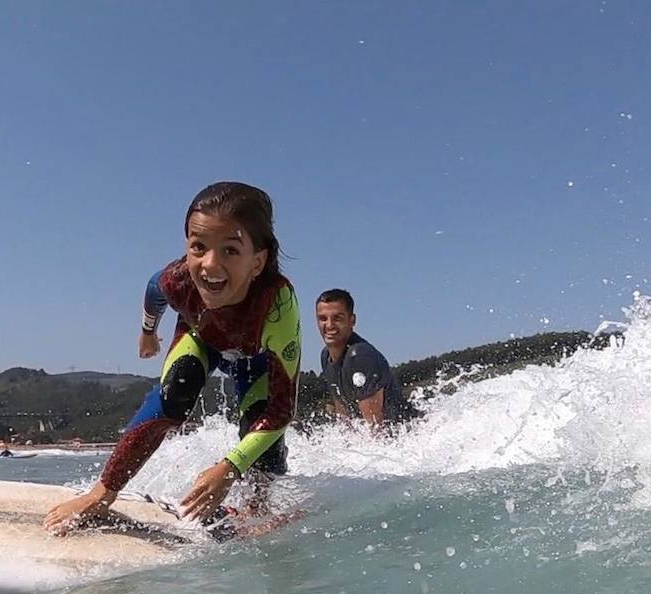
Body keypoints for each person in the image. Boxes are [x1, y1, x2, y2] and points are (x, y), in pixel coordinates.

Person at [44, 181, 302, 537]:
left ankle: (258, 507)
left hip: (253, 358)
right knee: (173, 397)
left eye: (230, 250)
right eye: (199, 247)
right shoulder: (177, 278)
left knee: (262, 431)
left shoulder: (278, 307)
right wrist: (148, 332)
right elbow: (154, 293)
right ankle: (102, 495)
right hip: (200, 337)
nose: (209, 265)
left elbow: (281, 411)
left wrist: (228, 468)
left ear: (257, 262)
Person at [315, 288, 415, 429]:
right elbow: (344, 419)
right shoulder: (326, 357)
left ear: (352, 320)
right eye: (323, 319)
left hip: (409, 435)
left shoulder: (360, 356)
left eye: (337, 318)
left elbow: (376, 429)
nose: (329, 325)